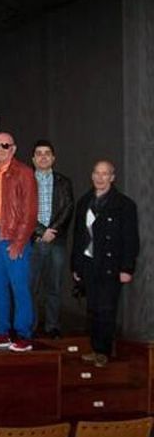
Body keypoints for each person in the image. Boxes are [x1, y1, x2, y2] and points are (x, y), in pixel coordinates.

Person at [71, 161, 139, 368]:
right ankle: (94, 348)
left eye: (105, 174)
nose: (100, 178)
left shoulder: (125, 205)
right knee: (92, 308)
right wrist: (76, 266)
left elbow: (131, 239)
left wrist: (127, 268)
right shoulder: (84, 202)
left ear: (112, 177)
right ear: (92, 175)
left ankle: (103, 351)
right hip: (89, 262)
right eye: (97, 173)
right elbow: (78, 237)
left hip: (111, 264)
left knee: (106, 309)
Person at [0, 132, 37, 352]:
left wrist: (19, 242)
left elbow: (30, 212)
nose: (0, 149)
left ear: (13, 148)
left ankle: (23, 335)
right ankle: (1, 332)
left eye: (5, 145)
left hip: (13, 237)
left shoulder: (24, 172)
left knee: (19, 288)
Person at [29, 140, 74, 339]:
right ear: (33, 159)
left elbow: (68, 207)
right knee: (31, 287)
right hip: (33, 241)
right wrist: (40, 231)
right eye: (39, 153)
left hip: (56, 241)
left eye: (47, 153)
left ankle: (52, 326)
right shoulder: (26, 180)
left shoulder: (64, 182)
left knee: (54, 287)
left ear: (53, 158)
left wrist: (51, 231)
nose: (43, 157)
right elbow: (22, 211)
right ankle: (29, 326)